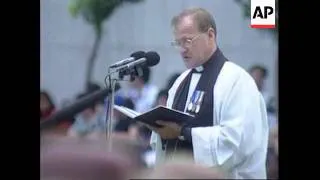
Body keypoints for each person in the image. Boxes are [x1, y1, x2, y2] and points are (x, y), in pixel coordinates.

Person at [146, 7, 269, 179]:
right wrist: (158, 127)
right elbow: (163, 143)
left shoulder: (237, 81)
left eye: (188, 41)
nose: (182, 49)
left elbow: (236, 144)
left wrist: (182, 132)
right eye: (178, 43)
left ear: (210, 35)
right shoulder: (181, 81)